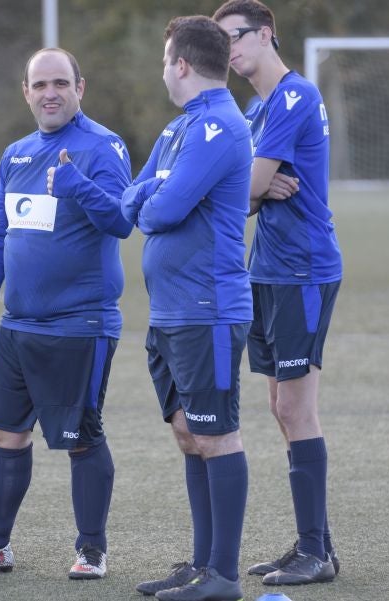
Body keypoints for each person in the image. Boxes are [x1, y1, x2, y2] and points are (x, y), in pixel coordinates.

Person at [0, 47, 132, 580]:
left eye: (60, 83)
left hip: (79, 325)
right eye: (40, 84)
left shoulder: (102, 147)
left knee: (81, 438)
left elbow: (120, 221)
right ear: (25, 92)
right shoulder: (15, 153)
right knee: (3, 433)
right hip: (19, 326)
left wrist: (77, 186)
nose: (50, 93)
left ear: (79, 88)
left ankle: (92, 550)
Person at [88, 15, 252, 601]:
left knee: (217, 435)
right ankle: (201, 564)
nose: (163, 70)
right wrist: (154, 191)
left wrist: (156, 192)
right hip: (172, 314)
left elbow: (159, 211)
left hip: (208, 309)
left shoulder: (220, 129)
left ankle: (224, 577)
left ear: (182, 63)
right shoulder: (179, 129)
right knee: (188, 433)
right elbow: (135, 198)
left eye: (165, 61)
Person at [214, 0, 342, 586]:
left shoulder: (293, 96)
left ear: (266, 35)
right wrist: (255, 189)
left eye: (235, 38)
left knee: (296, 408)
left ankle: (315, 551)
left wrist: (254, 190)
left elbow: (243, 190)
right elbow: (241, 188)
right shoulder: (253, 106)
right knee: (278, 407)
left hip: (303, 270)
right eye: (220, 43)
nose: (228, 51)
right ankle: (314, 545)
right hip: (265, 269)